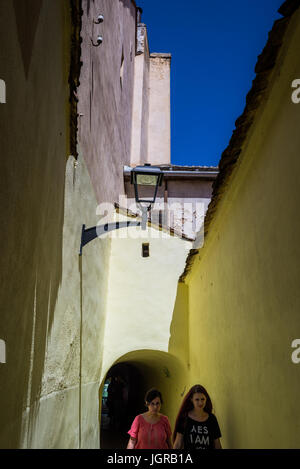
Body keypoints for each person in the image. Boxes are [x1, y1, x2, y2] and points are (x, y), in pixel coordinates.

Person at [173, 384, 222, 449]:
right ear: (191, 399)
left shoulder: (212, 419)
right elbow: (178, 443)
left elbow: (217, 444)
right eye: (197, 400)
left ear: (206, 399)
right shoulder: (184, 418)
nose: (200, 403)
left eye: (202, 399)